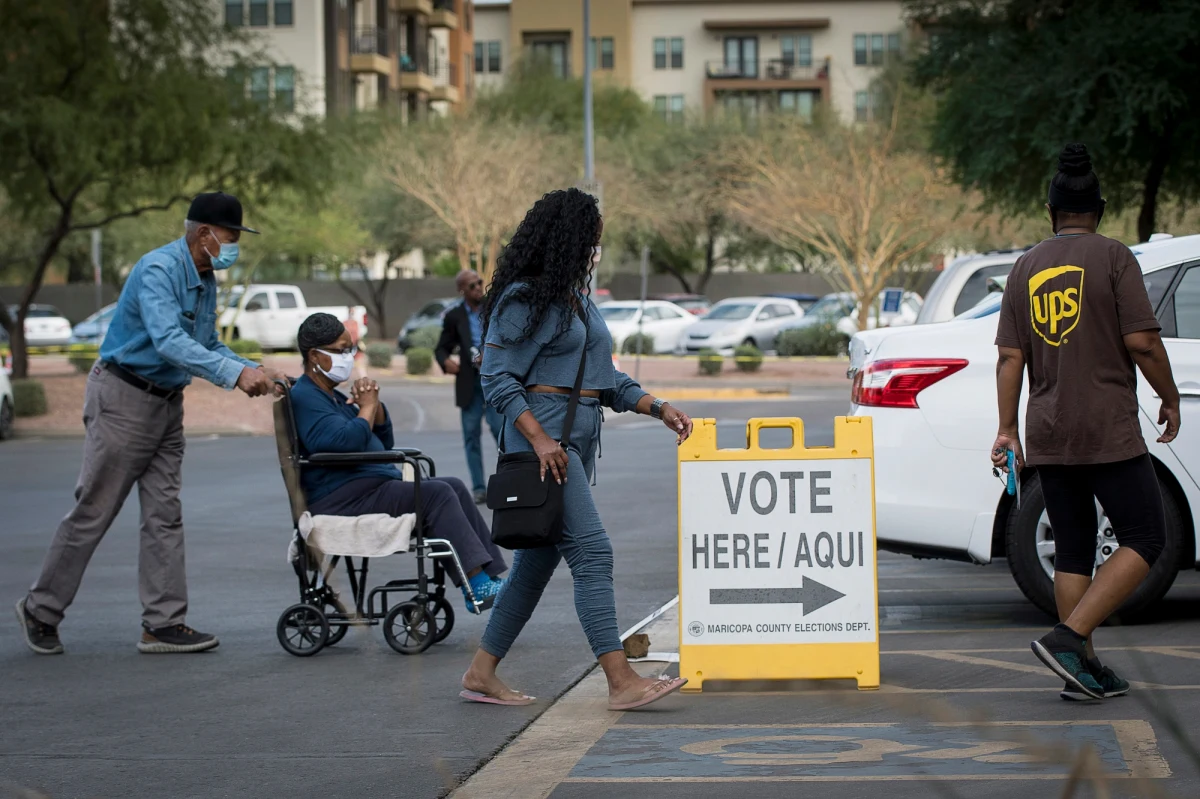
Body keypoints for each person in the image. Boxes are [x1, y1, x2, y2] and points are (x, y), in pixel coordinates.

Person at [16, 191, 282, 655]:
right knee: (95, 509)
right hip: (123, 397)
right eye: (231, 236)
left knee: (165, 515)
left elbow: (207, 343)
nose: (235, 245)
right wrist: (235, 375)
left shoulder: (204, 277)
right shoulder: (158, 269)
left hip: (165, 403)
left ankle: (162, 623)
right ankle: (41, 608)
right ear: (204, 234)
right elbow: (169, 342)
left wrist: (254, 367)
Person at [460, 188, 694, 711]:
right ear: (567, 239)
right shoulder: (525, 299)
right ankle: (620, 680)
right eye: (591, 240)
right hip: (544, 448)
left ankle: (480, 672)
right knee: (592, 552)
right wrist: (540, 440)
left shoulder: (576, 299)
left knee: (533, 567)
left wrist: (657, 407)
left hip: (572, 447)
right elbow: (496, 378)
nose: (596, 249)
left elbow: (603, 380)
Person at [992, 144, 1180, 700]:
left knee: (1073, 548)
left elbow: (1009, 358)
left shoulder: (1025, 266)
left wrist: (1008, 429)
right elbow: (1143, 341)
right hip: (1106, 425)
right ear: (1100, 209)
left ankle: (1082, 671)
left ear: (1050, 212)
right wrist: (1167, 397)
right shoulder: (1115, 257)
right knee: (1147, 534)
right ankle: (1072, 639)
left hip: (1048, 427)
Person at [290, 313, 506, 612]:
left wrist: (374, 409)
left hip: (367, 485)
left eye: (350, 349)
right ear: (315, 355)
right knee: (437, 494)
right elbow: (341, 443)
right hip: (342, 496)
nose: (348, 357)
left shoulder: (331, 397)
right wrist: (366, 408)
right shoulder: (306, 397)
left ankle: (487, 577)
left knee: (453, 486)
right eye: (340, 350)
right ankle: (476, 583)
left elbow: (383, 440)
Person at [436, 269, 503, 504]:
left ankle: (506, 483)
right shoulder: (454, 316)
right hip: (469, 383)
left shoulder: (493, 307)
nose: (478, 288)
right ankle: (478, 488)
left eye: (479, 283)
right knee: (471, 437)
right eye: (472, 285)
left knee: (501, 432)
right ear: (461, 289)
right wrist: (445, 361)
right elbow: (442, 346)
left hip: (494, 380)